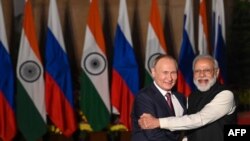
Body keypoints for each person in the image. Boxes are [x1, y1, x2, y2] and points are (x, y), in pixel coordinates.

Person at [138, 54, 237, 141]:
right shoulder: (191, 97)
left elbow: (200, 119)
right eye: (197, 71)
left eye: (207, 70)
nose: (202, 75)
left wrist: (158, 122)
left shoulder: (226, 95)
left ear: (216, 72)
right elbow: (188, 129)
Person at [131, 54, 186, 141]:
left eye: (173, 73)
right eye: (165, 72)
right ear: (153, 72)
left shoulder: (180, 97)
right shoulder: (144, 97)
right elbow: (153, 135)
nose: (169, 78)